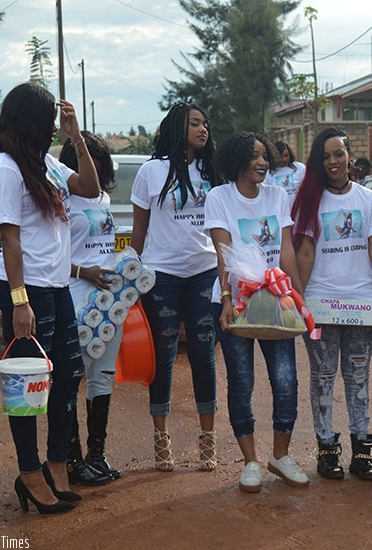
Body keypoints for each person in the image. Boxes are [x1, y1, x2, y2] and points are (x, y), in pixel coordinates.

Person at [0, 83, 100, 514]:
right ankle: (29, 472)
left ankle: (54, 465)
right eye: (49, 119)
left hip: (53, 286)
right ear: (29, 120)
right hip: (24, 288)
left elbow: (89, 187)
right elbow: (10, 241)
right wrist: (18, 302)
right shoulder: (6, 170)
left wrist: (77, 138)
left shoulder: (46, 163)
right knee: (29, 384)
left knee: (68, 375)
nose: (54, 126)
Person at [291, 128, 372, 481]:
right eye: (326, 156)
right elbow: (304, 253)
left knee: (357, 377)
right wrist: (298, 298)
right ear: (317, 162)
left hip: (362, 304)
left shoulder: (368, 200)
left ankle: (362, 453)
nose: (333, 161)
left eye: (339, 154)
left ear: (349, 156)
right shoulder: (309, 200)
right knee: (322, 376)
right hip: (320, 302)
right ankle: (327, 450)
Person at [206, 132, 308, 493]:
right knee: (242, 382)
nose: (264, 162)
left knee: (285, 379)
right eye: (255, 157)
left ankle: (280, 457)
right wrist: (226, 299)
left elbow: (286, 251)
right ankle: (250, 462)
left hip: (276, 299)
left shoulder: (277, 196)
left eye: (266, 156)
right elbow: (224, 253)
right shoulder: (219, 198)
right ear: (237, 161)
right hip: (239, 302)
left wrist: (297, 296)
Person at [130, 102, 218, 473]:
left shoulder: (213, 170)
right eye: (195, 123)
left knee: (203, 354)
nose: (203, 129)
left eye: (205, 124)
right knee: (163, 356)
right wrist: (131, 275)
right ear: (177, 128)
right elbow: (139, 230)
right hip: (161, 275)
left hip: (205, 272)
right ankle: (161, 438)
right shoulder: (151, 171)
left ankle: (207, 439)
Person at [59, 131, 120, 486]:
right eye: (86, 157)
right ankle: (71, 460)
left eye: (98, 158)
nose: (93, 165)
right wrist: (83, 271)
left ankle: (96, 455)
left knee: (103, 375)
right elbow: (50, 254)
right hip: (72, 295)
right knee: (70, 378)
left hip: (107, 300)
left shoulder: (104, 198)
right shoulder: (62, 199)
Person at [263, 140, 306, 206]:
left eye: (286, 156)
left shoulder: (300, 168)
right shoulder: (269, 173)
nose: (284, 159)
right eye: (281, 157)